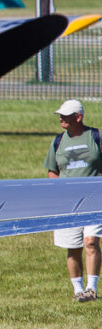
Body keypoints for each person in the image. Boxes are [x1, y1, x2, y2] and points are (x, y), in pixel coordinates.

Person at [45, 99, 102, 302]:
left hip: (95, 201)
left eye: (66, 115)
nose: (61, 118)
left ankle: (91, 289)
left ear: (78, 117)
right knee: (73, 247)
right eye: (60, 115)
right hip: (68, 204)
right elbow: (52, 171)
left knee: (91, 241)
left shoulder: (96, 137)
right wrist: (60, 193)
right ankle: (77, 290)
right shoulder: (58, 142)